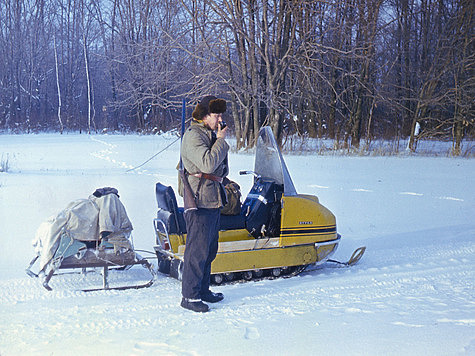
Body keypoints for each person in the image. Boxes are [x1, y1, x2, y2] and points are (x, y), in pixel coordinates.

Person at [179, 95, 229, 313]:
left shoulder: (208, 133)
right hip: (199, 200)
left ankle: (202, 290)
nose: (220, 119)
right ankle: (189, 297)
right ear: (204, 116)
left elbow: (219, 167)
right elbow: (208, 164)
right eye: (216, 115)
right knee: (196, 251)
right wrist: (220, 141)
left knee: (209, 249)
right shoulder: (193, 136)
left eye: (220, 115)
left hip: (211, 198)